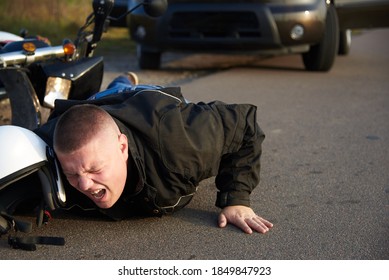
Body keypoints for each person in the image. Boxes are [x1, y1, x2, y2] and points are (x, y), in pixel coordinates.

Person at [35, 73, 273, 234]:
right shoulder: (47, 154)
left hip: (148, 102)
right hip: (93, 105)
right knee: (108, 96)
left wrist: (237, 199)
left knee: (125, 90)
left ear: (122, 147)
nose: (84, 184)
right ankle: (116, 85)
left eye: (95, 169)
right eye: (72, 174)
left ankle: (123, 81)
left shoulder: (180, 141)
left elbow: (244, 125)